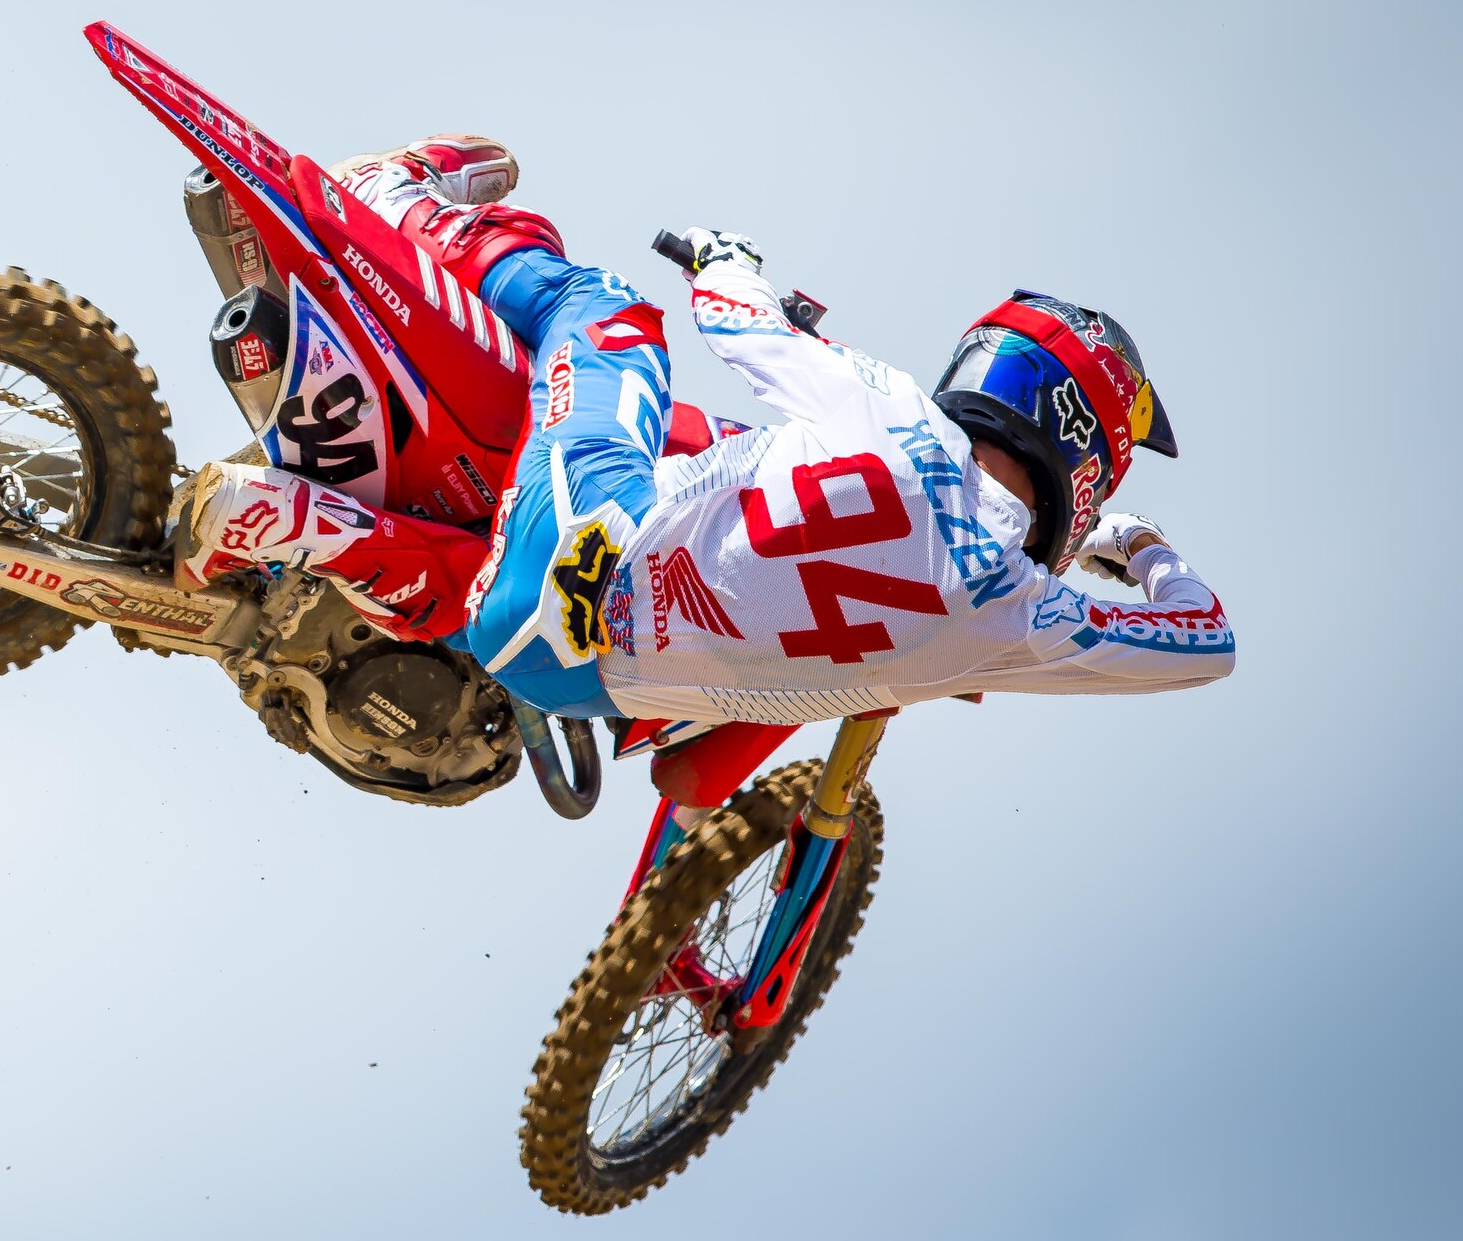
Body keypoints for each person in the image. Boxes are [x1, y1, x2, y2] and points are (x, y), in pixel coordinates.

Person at [177, 138, 1234, 803]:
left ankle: (408, 205)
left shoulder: (899, 418)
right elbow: (1210, 646)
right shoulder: (1018, 623)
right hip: (557, 665)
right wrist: (1142, 546)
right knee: (526, 594)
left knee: (603, 312)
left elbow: (736, 324)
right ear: (1089, 450)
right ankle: (304, 526)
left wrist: (723, 255)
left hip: (590, 531)